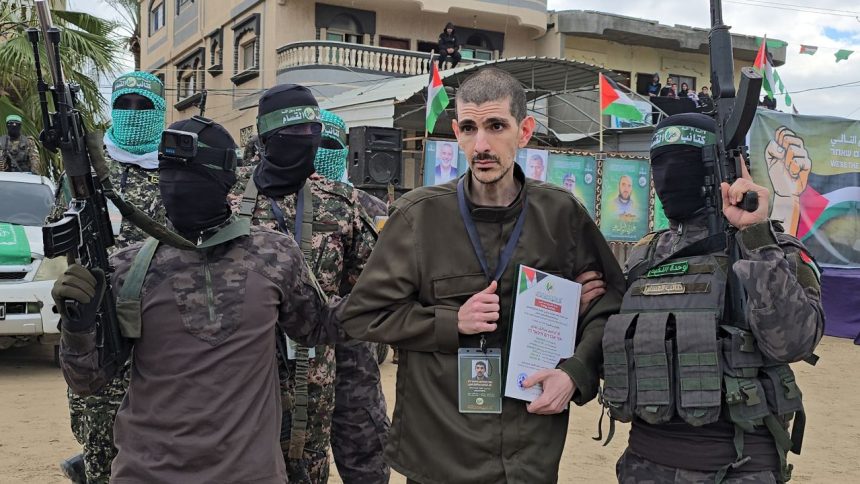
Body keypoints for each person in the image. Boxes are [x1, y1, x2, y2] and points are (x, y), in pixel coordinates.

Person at [338, 67, 625, 483]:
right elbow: (362, 315)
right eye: (469, 128)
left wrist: (575, 372)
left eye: (496, 126)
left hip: (530, 453)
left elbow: (610, 305)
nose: (482, 145)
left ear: (524, 131)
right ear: (455, 131)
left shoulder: (561, 215)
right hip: (440, 454)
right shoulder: (419, 217)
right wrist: (450, 321)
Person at [53, 116, 344, 484]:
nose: (176, 188)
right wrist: (77, 326)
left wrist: (387, 289)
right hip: (146, 474)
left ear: (225, 180)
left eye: (191, 175)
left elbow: (317, 327)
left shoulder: (275, 255)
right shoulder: (127, 268)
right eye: (168, 175)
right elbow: (88, 382)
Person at [607, 113, 824, 483]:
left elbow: (794, 342)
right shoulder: (646, 255)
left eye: (684, 161)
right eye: (660, 162)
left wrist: (755, 235)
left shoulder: (770, 248)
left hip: (738, 466)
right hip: (644, 463)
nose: (668, 176)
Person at [234, 95, 390, 483]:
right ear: (265, 137)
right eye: (293, 132)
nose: (308, 143)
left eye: (314, 134)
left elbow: (371, 288)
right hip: (243, 371)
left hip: (323, 373)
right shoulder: (228, 198)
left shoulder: (345, 205)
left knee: (320, 464)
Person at [59, 71, 168, 484]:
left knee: (155, 431)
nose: (133, 114)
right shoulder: (82, 171)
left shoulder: (173, 170)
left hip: (154, 322)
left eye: (144, 106)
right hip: (95, 316)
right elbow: (60, 228)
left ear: (160, 113)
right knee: (96, 424)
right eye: (124, 105)